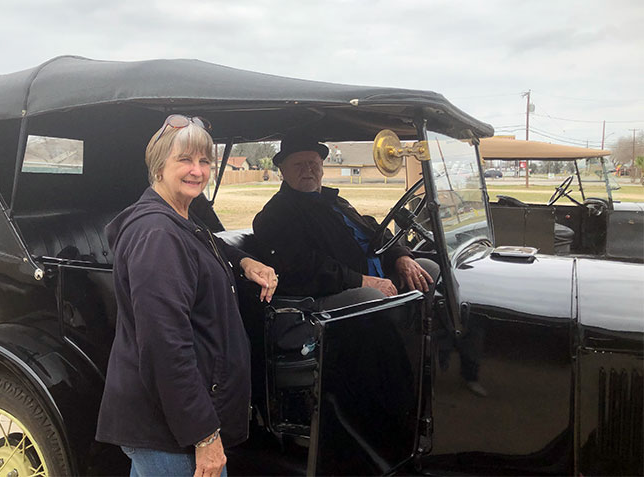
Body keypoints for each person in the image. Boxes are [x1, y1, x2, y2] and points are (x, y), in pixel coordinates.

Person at [96, 115, 278, 477]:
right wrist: (204, 435)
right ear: (159, 166)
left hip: (172, 426)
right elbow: (165, 347)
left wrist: (244, 261)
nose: (197, 170)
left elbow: (204, 246)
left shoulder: (179, 218)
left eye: (204, 161)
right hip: (171, 434)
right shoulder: (158, 236)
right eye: (185, 159)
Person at [253, 133, 438, 310]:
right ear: (283, 170)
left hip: (376, 277)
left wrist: (401, 256)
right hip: (331, 295)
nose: (307, 170)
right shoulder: (276, 215)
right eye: (298, 165)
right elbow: (305, 267)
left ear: (322, 166)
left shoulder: (335, 201)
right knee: (372, 299)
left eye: (312, 163)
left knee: (428, 269)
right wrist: (361, 281)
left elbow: (373, 229)